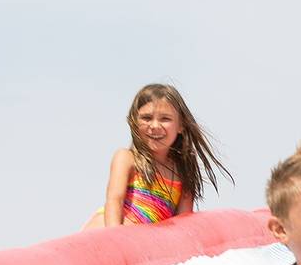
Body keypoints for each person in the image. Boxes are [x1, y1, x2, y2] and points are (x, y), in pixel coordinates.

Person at [83, 83, 231, 229]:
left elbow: (182, 225)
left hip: (143, 239)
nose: (154, 126)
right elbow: (115, 200)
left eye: (165, 119)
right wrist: (115, 237)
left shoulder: (183, 173)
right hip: (107, 230)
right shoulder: (127, 159)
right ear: (134, 122)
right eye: (146, 118)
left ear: (181, 125)